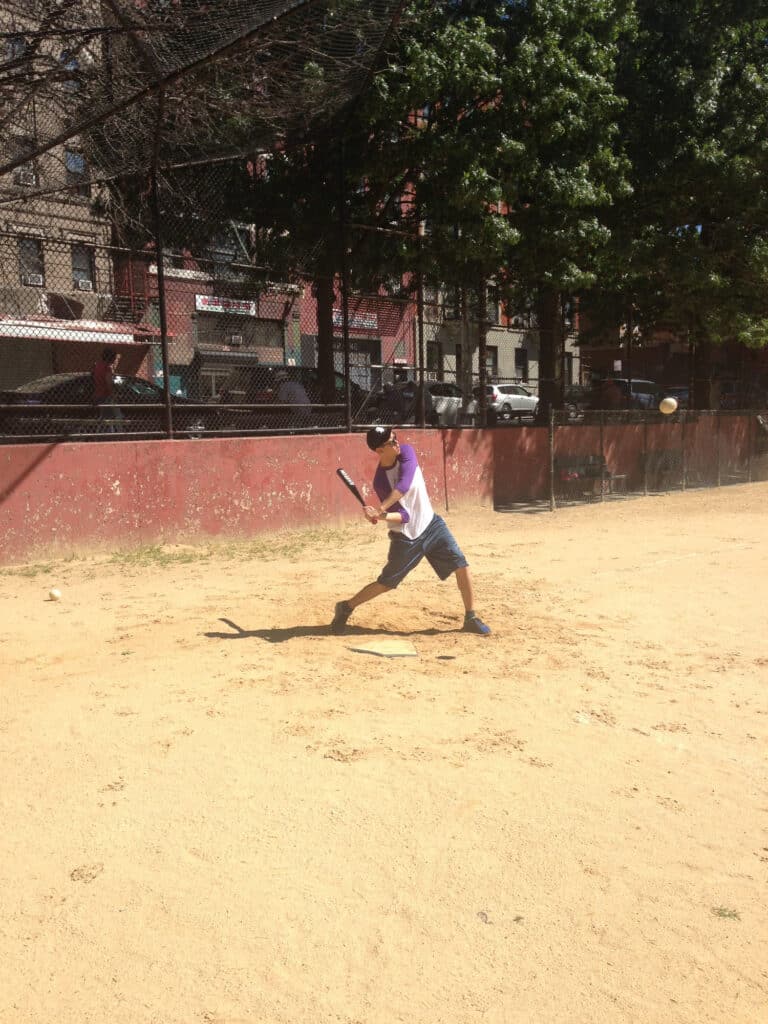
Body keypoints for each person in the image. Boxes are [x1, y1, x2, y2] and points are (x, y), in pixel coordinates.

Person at [331, 425, 491, 636]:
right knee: (386, 584)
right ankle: (346, 607)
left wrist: (380, 508)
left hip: (432, 525)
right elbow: (404, 516)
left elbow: (404, 484)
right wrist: (380, 516)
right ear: (380, 451)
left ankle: (471, 617)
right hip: (406, 537)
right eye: (391, 441)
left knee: (461, 565)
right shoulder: (380, 481)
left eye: (395, 437)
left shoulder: (406, 452)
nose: (397, 442)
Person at [92, 347, 123, 431]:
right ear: (110, 357)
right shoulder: (106, 368)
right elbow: (108, 383)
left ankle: (99, 432)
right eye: (114, 357)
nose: (115, 359)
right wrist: (113, 395)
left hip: (97, 395)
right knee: (118, 415)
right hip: (106, 396)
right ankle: (121, 433)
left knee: (104, 416)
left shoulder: (97, 366)